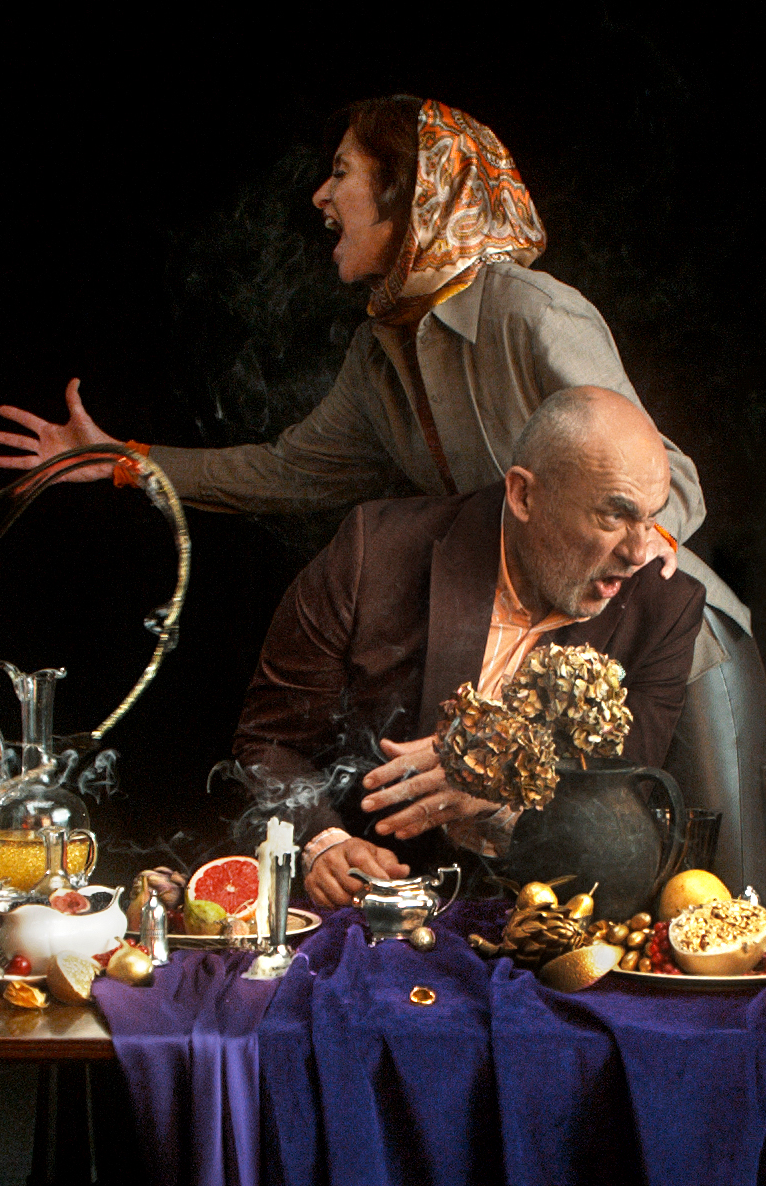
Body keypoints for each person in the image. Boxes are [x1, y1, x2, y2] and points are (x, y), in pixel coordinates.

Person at [0, 97, 766, 887]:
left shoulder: (531, 310)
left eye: (342, 173)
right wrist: (128, 460)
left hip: (667, 645)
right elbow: (287, 471)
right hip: (513, 628)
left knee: (717, 894)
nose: (322, 198)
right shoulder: (379, 350)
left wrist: (621, 595)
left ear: (412, 191)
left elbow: (671, 477)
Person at [233, 387, 704, 908]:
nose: (640, 551)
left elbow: (623, 807)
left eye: (651, 517)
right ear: (524, 496)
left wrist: (504, 790)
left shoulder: (663, 607)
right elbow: (270, 742)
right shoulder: (375, 550)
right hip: (370, 912)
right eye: (613, 517)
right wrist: (324, 842)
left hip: (541, 918)